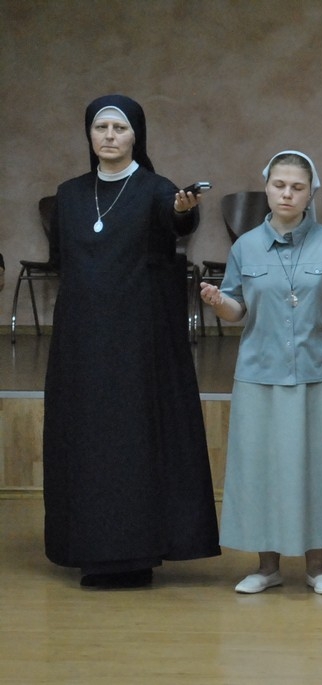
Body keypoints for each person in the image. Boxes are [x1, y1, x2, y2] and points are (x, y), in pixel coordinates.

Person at [43, 94, 220, 588]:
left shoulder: (157, 189)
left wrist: (183, 211)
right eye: (101, 128)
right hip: (82, 341)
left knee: (133, 440)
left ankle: (135, 553)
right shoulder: (70, 194)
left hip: (138, 341)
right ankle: (89, 550)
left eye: (119, 128)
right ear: (89, 134)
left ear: (136, 136)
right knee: (86, 441)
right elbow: (62, 261)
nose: (109, 136)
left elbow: (176, 222)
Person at [200, 151, 322, 595]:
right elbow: (237, 309)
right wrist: (218, 303)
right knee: (261, 467)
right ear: (267, 187)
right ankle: (267, 567)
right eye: (279, 185)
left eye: (297, 187)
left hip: (320, 370)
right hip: (261, 371)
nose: (287, 194)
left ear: (311, 192)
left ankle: (318, 568)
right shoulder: (245, 246)